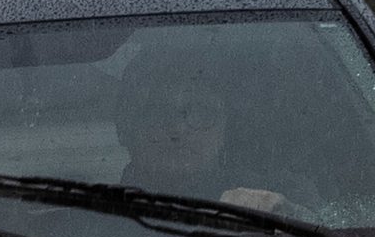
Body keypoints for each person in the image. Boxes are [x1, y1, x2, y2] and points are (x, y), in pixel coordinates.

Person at [112, 49, 308, 218]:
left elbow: (329, 230)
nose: (178, 130)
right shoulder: (86, 210)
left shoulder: (275, 193)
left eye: (201, 113)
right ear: (125, 127)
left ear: (225, 128)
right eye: (157, 112)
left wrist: (288, 216)